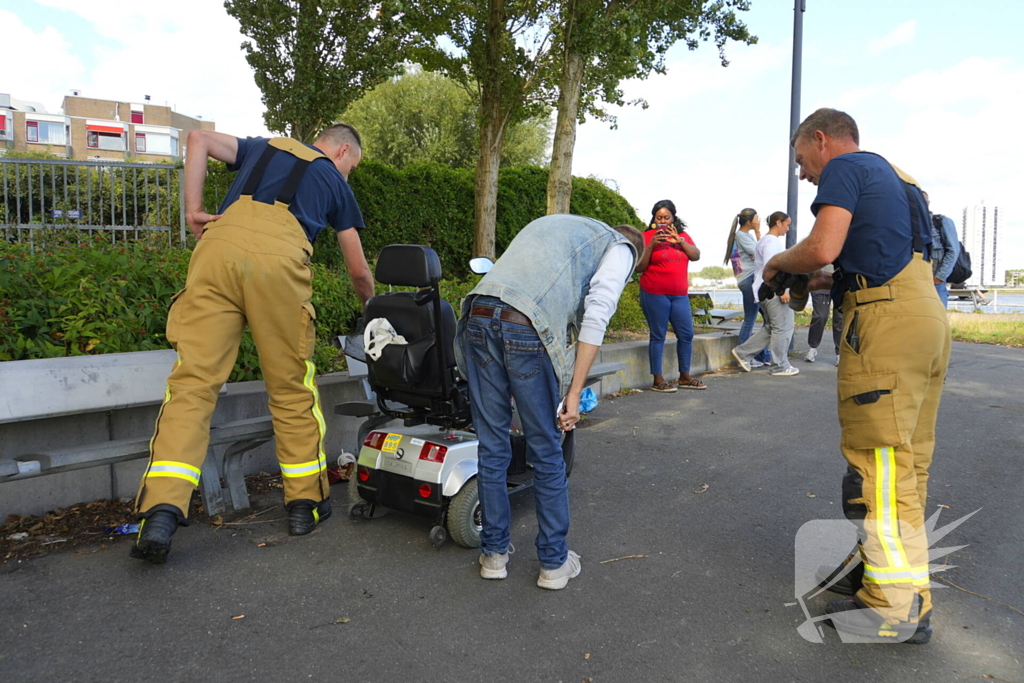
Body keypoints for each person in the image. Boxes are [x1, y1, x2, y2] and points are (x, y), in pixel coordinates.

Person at [130, 125, 375, 564]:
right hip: (279, 264)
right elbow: (357, 270)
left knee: (192, 386)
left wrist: (193, 211)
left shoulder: (263, 147)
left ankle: (161, 512)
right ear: (343, 151)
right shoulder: (335, 183)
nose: (349, 175)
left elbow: (198, 139)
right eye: (352, 167)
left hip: (216, 251)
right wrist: (372, 309)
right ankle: (303, 504)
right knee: (290, 387)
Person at [764, 108, 950, 644]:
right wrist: (826, 281)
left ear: (821, 140)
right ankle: (889, 580)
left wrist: (780, 265)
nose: (804, 174)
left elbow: (822, 246)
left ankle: (893, 609)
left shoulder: (845, 167)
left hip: (886, 325)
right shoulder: (899, 178)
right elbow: (872, 258)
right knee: (906, 469)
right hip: (927, 317)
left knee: (878, 472)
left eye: (802, 160)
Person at [456, 215, 643, 589]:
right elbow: (597, 315)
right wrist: (573, 394)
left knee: (492, 447)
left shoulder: (563, 227)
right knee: (545, 451)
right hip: (524, 324)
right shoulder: (621, 248)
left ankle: (493, 555)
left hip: (479, 312)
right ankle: (554, 563)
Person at [637, 199, 705, 392]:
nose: (663, 221)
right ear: (653, 219)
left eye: (666, 217)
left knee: (686, 334)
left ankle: (685, 376)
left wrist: (680, 242)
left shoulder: (682, 236)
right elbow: (639, 267)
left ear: (673, 218)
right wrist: (651, 245)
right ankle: (658, 379)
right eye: (659, 218)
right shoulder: (646, 236)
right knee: (658, 335)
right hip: (654, 293)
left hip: (679, 295)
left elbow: (696, 256)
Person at [730, 212, 799, 377]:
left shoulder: (766, 241)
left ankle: (743, 353)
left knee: (772, 327)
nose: (788, 228)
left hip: (765, 291)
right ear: (778, 223)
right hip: (772, 291)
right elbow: (771, 267)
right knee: (783, 327)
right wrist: (782, 290)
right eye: (787, 224)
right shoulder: (771, 242)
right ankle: (779, 366)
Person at [723, 208, 771, 366]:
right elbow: (762, 252)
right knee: (752, 319)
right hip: (749, 280)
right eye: (756, 219)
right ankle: (743, 355)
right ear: (749, 222)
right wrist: (758, 231)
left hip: (747, 280)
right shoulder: (742, 236)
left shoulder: (741, 236)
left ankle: (762, 356)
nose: (758, 222)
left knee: (767, 318)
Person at [921, 190, 960, 307]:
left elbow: (953, 250)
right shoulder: (906, 225)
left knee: (938, 316)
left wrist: (939, 277)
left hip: (935, 282)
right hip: (914, 282)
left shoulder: (941, 222)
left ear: (928, 203)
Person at [805, 265, 843, 366]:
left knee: (840, 319)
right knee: (820, 316)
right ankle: (813, 347)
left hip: (841, 281)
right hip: (820, 281)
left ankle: (840, 353)